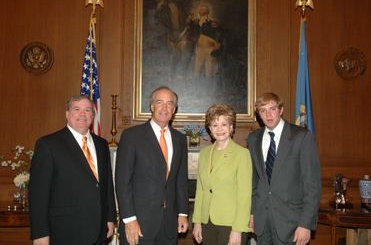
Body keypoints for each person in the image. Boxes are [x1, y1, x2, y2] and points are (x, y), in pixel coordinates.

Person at [28, 95, 116, 245]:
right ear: (67, 114)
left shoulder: (101, 144)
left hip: (99, 230)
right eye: (77, 109)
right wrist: (40, 234)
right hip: (65, 231)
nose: (83, 114)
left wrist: (110, 218)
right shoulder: (48, 145)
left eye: (88, 110)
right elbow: (38, 195)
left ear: (93, 115)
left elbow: (107, 186)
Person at [115, 86, 189, 245]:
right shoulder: (132, 136)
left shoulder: (180, 139)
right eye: (159, 102)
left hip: (169, 224)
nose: (165, 108)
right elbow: (122, 181)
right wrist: (129, 219)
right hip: (138, 224)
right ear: (152, 106)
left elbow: (180, 181)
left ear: (174, 109)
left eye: (169, 103)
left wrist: (183, 213)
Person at [247, 92, 321, 245]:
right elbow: (254, 181)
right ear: (258, 114)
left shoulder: (301, 137)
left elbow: (312, 185)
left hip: (291, 223)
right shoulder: (253, 138)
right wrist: (252, 213)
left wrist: (306, 224)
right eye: (263, 110)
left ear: (281, 110)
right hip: (262, 221)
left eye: (272, 109)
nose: (268, 114)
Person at [192, 103, 252, 245]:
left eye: (224, 124)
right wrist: (197, 222)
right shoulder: (204, 153)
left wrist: (238, 229)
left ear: (231, 127)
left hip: (231, 224)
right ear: (209, 129)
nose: (219, 129)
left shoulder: (242, 154)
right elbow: (201, 190)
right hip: (207, 222)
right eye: (214, 125)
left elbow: (245, 196)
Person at [191, 4, 223, 77]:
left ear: (207, 11)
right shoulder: (196, 22)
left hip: (210, 49)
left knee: (209, 71)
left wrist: (217, 45)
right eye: (200, 9)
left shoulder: (212, 22)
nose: (201, 11)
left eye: (203, 9)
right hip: (199, 49)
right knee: (197, 71)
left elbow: (219, 33)